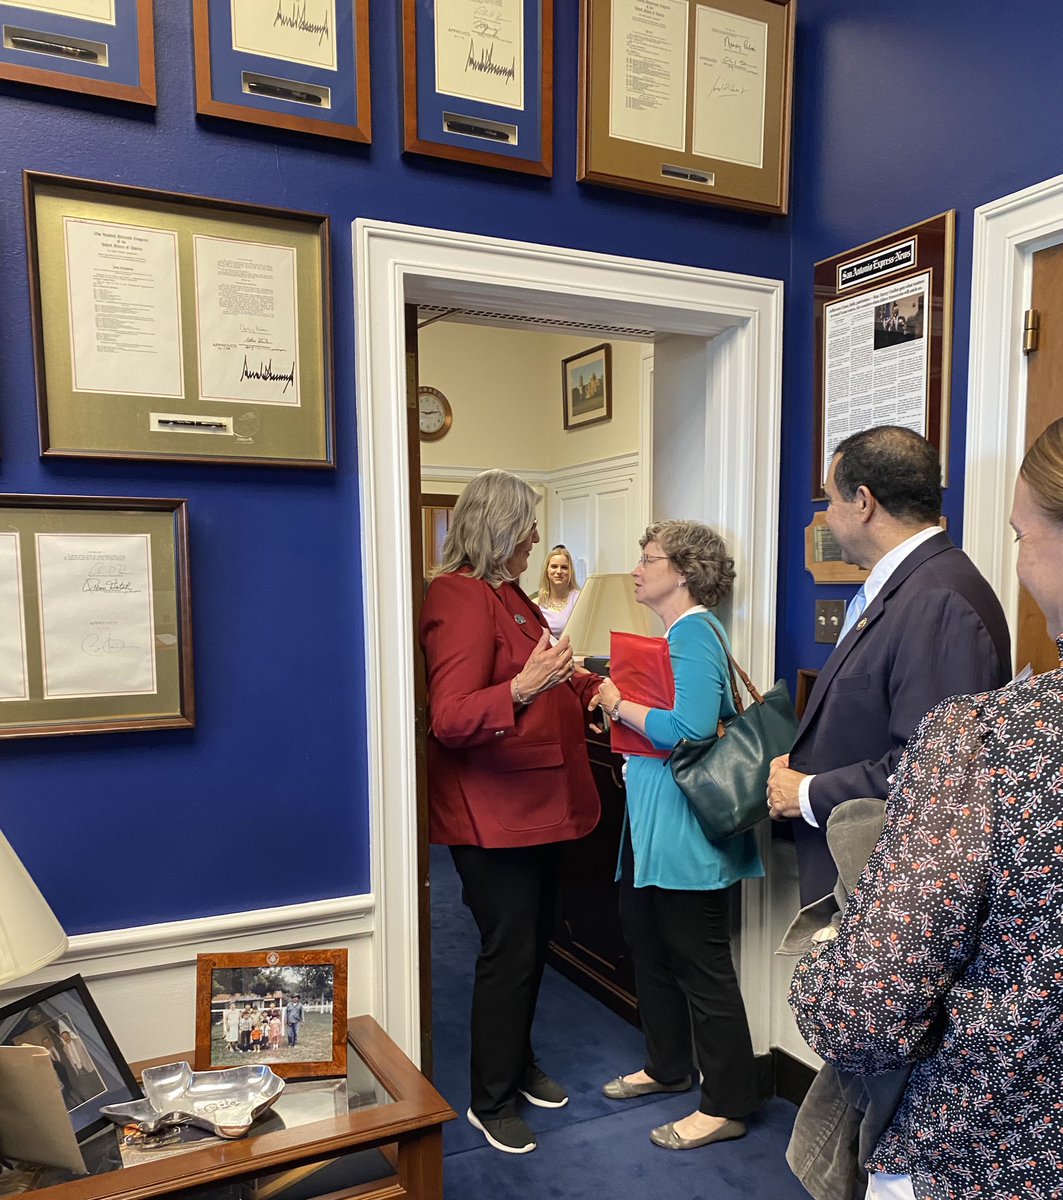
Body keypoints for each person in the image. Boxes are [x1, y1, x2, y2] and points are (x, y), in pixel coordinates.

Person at [789, 415, 1063, 1200]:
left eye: (1020, 535)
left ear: (864, 501)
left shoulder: (993, 728)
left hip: (984, 1150)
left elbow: (861, 1010)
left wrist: (832, 947)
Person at [420, 468, 603, 1156]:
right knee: (509, 952)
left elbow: (546, 663)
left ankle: (518, 1064)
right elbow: (452, 717)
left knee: (530, 949)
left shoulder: (507, 592)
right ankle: (489, 1099)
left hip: (539, 807)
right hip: (493, 816)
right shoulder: (458, 596)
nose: (535, 538)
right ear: (496, 529)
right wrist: (523, 688)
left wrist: (585, 682)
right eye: (526, 525)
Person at [767, 425, 1011, 906]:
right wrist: (801, 766)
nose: (827, 518)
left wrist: (810, 791)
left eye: (830, 502)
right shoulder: (908, 586)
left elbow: (934, 773)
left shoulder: (939, 599)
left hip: (891, 894)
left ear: (863, 502)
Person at [591, 521, 763, 1151]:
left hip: (686, 831)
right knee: (650, 942)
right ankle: (667, 1067)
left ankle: (726, 1104)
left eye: (649, 558)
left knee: (701, 963)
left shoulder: (692, 632)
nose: (638, 567)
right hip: (655, 825)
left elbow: (687, 729)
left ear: (683, 572)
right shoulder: (677, 632)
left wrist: (617, 703)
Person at [535, 545, 581, 638]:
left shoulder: (580, 599)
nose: (559, 571)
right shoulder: (536, 604)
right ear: (547, 570)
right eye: (554, 566)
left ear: (570, 572)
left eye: (564, 567)